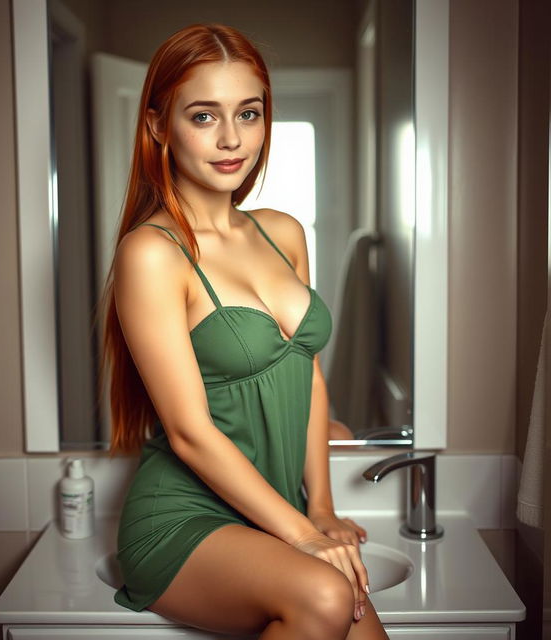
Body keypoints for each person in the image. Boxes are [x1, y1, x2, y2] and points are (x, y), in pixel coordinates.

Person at [100, 23, 389, 640]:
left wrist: (321, 508)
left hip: (274, 514)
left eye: (248, 113)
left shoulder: (282, 232)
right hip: (185, 520)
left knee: (357, 614)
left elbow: (307, 372)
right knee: (327, 596)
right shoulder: (151, 253)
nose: (232, 139)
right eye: (204, 116)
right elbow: (189, 432)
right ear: (157, 125)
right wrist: (304, 536)